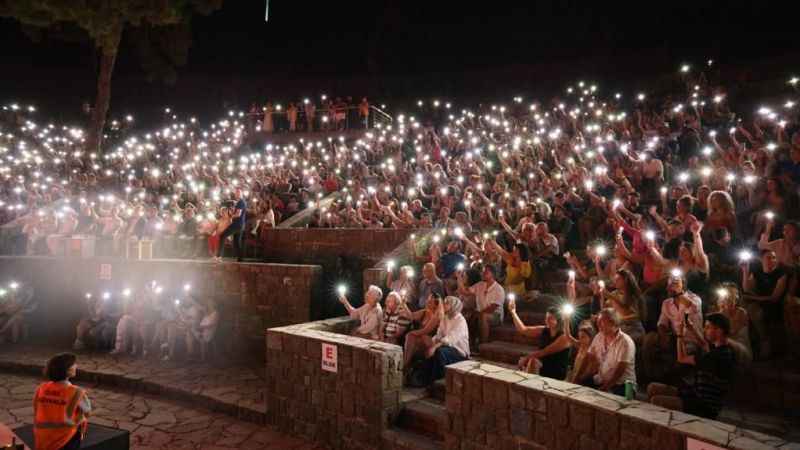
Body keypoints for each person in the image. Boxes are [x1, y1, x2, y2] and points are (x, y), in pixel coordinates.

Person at [647, 313, 737, 419]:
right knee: (652, 387)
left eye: (708, 327)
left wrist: (680, 335)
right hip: (693, 395)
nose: (704, 330)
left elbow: (681, 358)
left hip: (702, 405)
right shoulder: (724, 350)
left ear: (719, 330)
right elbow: (704, 345)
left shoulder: (715, 357)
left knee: (657, 400)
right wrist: (692, 328)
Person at [34, 353, 91, 450]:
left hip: (43, 437)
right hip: (66, 438)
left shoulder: (41, 388)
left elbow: (36, 409)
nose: (76, 366)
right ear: (67, 371)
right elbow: (87, 412)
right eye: (73, 364)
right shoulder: (76, 392)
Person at [412, 296, 469, 386]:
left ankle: (433, 380)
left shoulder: (460, 320)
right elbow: (439, 334)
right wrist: (432, 344)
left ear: (453, 306)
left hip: (458, 351)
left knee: (439, 352)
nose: (443, 305)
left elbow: (450, 339)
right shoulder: (445, 318)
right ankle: (421, 376)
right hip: (445, 346)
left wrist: (434, 347)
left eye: (447, 303)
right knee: (426, 348)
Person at [741, 249, 788, 358]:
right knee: (744, 306)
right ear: (761, 260)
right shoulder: (757, 271)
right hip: (759, 302)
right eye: (768, 257)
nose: (772, 260)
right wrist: (745, 271)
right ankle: (746, 343)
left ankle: (764, 340)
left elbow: (774, 298)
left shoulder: (781, 274)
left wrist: (753, 298)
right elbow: (746, 288)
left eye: (774, 257)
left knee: (757, 312)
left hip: (773, 305)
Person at [508, 299, 571, 379]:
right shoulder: (544, 330)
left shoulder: (564, 337)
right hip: (543, 364)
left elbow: (544, 352)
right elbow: (523, 330)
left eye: (550, 318)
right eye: (546, 317)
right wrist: (513, 312)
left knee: (533, 361)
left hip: (556, 369)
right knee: (532, 361)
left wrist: (526, 358)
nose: (546, 320)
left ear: (558, 320)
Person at [587, 308, 637, 396]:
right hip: (601, 380)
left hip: (624, 385)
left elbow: (620, 369)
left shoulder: (625, 341)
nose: (598, 325)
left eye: (601, 321)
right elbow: (590, 354)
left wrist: (606, 387)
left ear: (613, 322)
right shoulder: (599, 336)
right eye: (598, 321)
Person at [457, 265, 505, 347]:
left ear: (492, 274)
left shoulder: (499, 289)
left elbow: (492, 308)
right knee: (468, 314)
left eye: (486, 272)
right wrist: (459, 278)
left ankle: (483, 344)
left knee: (483, 316)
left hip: (495, 315)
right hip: (480, 312)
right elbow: (464, 292)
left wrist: (478, 314)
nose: (483, 273)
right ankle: (469, 343)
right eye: (483, 271)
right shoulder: (480, 285)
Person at [399, 292, 441, 369]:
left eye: (430, 302)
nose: (427, 303)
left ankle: (405, 363)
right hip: (421, 337)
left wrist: (411, 333)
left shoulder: (437, 316)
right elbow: (411, 316)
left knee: (411, 336)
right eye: (427, 300)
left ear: (436, 304)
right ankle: (406, 363)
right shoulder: (424, 312)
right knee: (411, 338)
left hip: (432, 339)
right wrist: (404, 304)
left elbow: (426, 330)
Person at [215, 189, 246, 262]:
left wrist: (229, 216)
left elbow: (238, 214)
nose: (237, 194)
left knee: (223, 236)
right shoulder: (238, 202)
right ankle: (240, 259)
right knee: (237, 242)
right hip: (239, 225)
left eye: (238, 193)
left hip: (237, 224)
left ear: (241, 194)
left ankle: (219, 256)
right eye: (236, 193)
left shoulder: (241, 202)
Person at [564, 320, 598, 385]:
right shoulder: (580, 345)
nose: (580, 339)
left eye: (583, 337)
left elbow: (592, 370)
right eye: (579, 337)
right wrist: (566, 320)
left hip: (583, 379)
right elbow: (568, 336)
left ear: (590, 337)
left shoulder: (593, 351)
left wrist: (580, 379)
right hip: (574, 374)